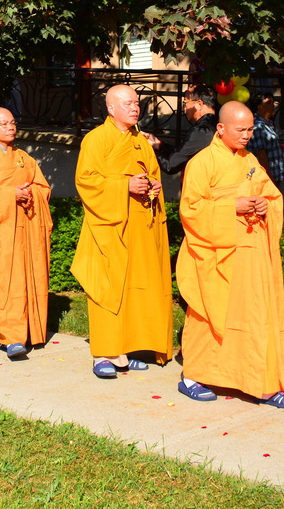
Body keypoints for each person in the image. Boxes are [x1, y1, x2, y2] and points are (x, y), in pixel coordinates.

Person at [175, 102, 284, 408]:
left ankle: (259, 382)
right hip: (214, 253)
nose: (247, 135)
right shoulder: (202, 162)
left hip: (249, 253)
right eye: (240, 130)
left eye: (250, 130)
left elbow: (271, 194)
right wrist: (232, 206)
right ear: (221, 128)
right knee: (210, 312)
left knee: (253, 315)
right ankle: (194, 376)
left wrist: (264, 204)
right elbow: (190, 209)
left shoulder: (250, 160)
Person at [71, 84, 173, 379]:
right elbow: (86, 181)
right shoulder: (96, 139)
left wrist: (153, 186)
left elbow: (153, 175)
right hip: (110, 227)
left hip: (140, 226)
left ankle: (126, 349)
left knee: (136, 288)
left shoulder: (140, 141)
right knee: (109, 288)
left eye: (137, 103)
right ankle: (103, 353)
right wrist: (124, 185)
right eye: (128, 103)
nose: (135, 108)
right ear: (111, 108)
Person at [0, 108, 53, 360]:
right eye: (3, 124)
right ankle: (9, 337)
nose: (10, 127)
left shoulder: (24, 158)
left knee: (24, 280)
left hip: (24, 231)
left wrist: (30, 193)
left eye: (12, 122)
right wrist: (10, 194)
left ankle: (8, 332)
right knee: (1, 283)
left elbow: (43, 187)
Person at [143, 83, 218, 175]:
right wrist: (159, 145)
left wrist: (149, 148)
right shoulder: (217, 123)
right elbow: (182, 153)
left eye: (185, 102)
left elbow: (170, 165)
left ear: (199, 104)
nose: (184, 108)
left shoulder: (202, 131)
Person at [246, 93, 284, 196]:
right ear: (259, 106)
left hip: (274, 177)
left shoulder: (269, 124)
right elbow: (262, 156)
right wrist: (269, 181)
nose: (273, 105)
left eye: (273, 102)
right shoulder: (258, 127)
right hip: (266, 179)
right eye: (269, 103)